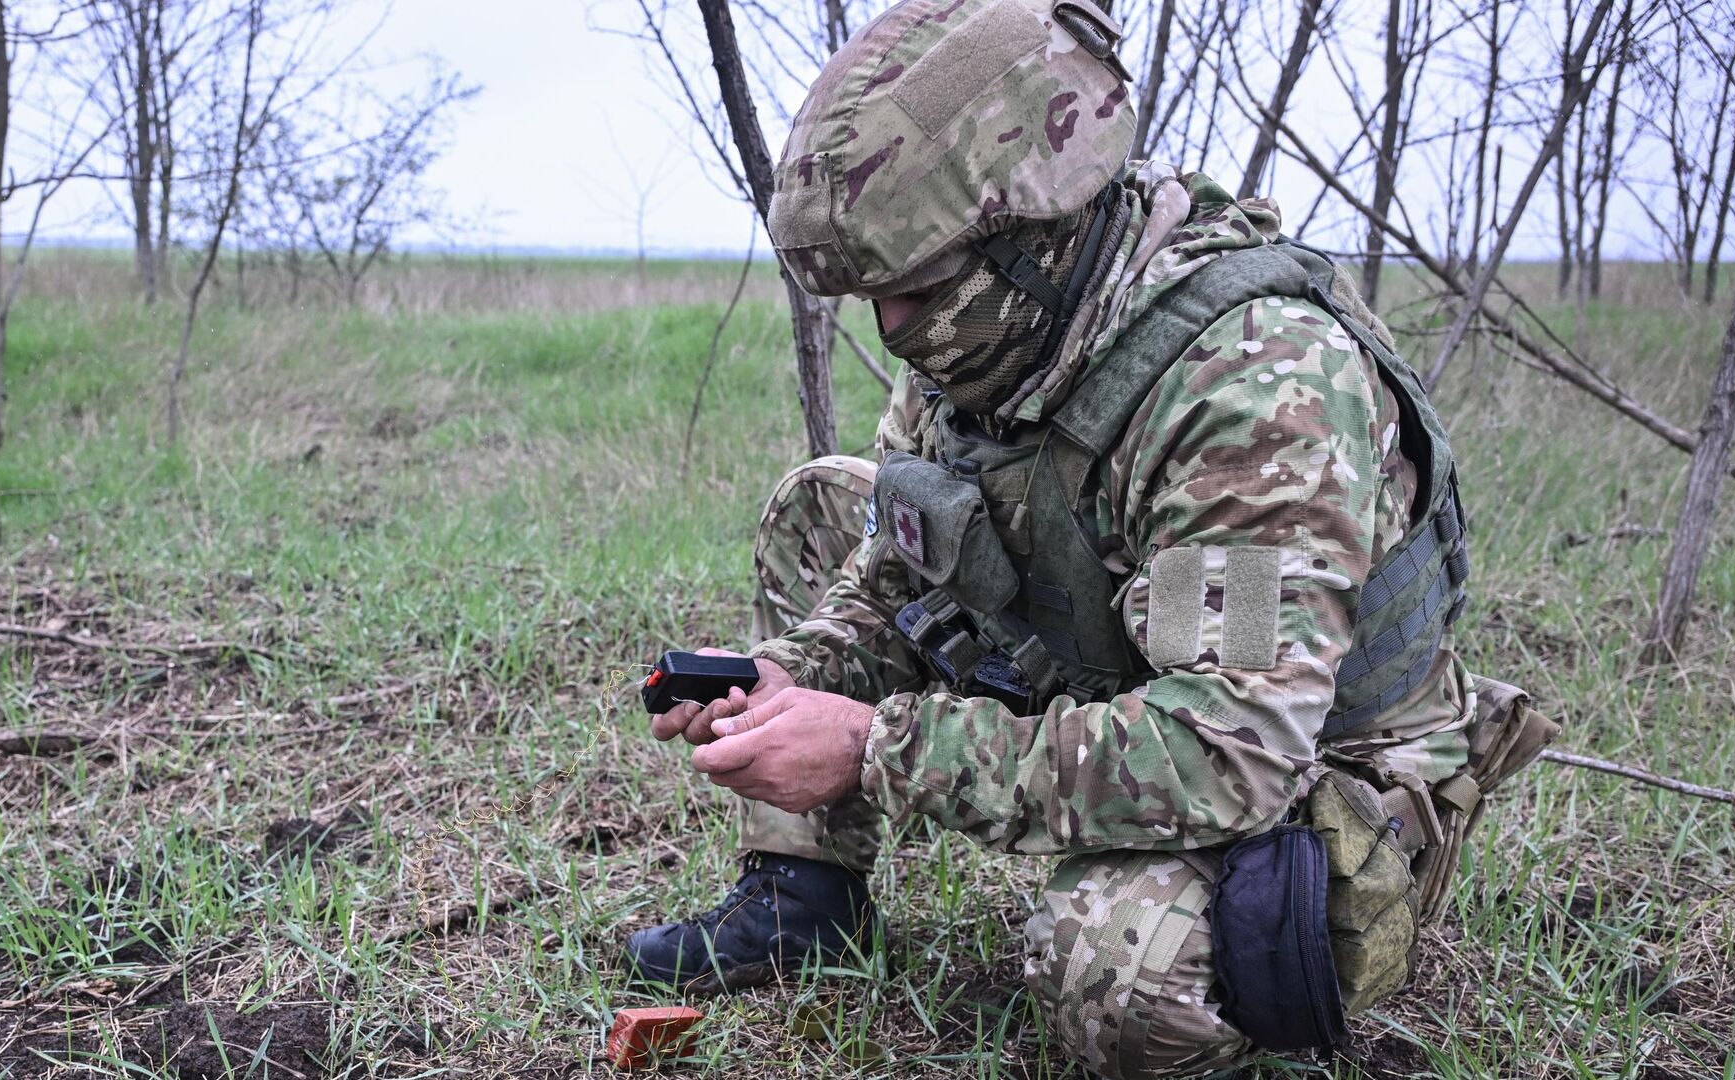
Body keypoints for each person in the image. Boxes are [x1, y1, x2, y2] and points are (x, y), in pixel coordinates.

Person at [625, 1, 1556, 1075]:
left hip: (1310, 757)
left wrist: (871, 749)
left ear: (1036, 234)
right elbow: (896, 569)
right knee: (825, 502)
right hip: (1126, 659)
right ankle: (803, 900)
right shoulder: (987, 337)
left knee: (1121, 972)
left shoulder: (1252, 390)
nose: (892, 333)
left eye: (918, 293)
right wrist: (796, 671)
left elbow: (1228, 749)